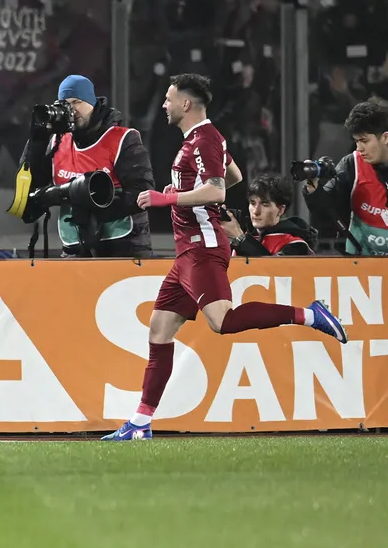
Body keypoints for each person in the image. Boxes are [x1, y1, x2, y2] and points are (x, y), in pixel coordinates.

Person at [102, 74, 347, 442]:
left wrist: (167, 198)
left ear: (186, 104)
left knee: (222, 321)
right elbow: (232, 175)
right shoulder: (204, 139)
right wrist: (183, 189)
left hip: (202, 248)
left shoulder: (203, 139)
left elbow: (217, 191)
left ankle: (310, 315)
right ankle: (140, 422)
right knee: (159, 329)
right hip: (188, 251)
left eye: (169, 99)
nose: (165, 105)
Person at [19, 75, 155, 257]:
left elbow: (142, 193)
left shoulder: (122, 139)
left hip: (124, 246)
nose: (72, 110)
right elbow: (26, 194)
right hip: (74, 247)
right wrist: (37, 142)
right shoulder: (56, 143)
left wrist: (93, 209)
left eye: (77, 102)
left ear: (92, 103)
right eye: (66, 104)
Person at [303, 100, 388, 256]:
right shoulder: (351, 164)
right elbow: (326, 214)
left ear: (385, 137)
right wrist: (312, 187)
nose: (359, 148)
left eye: (364, 141)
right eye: (356, 141)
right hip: (359, 260)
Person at [222, 173, 316, 256]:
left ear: (280, 210)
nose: (256, 211)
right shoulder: (246, 233)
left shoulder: (296, 245)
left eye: (265, 205)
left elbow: (271, 269)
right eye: (253, 203)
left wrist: (239, 238)